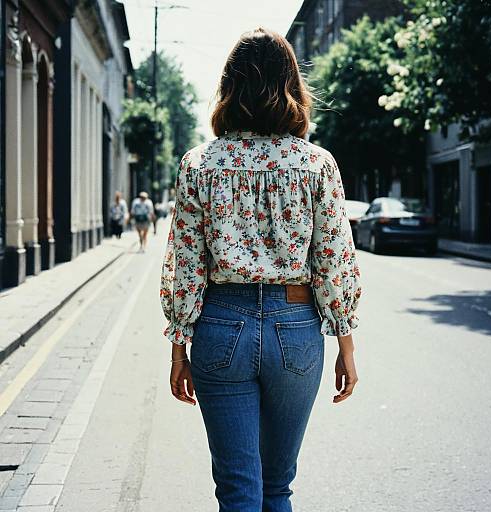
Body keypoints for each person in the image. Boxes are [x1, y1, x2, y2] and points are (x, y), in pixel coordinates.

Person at [159, 27, 362, 512]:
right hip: (296, 330)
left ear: (229, 88)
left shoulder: (199, 164)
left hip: (220, 326)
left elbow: (185, 265)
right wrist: (346, 347)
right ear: (292, 85)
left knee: (238, 490)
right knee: (277, 487)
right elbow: (334, 263)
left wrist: (177, 348)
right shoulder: (317, 164)